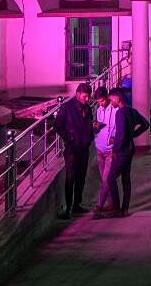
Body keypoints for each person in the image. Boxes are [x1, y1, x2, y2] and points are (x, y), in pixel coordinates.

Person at [52, 82, 94, 219]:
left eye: (88, 97)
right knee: (71, 177)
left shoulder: (88, 109)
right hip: (71, 149)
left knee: (81, 177)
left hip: (84, 147)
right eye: (84, 96)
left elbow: (89, 125)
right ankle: (68, 207)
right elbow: (57, 126)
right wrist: (68, 139)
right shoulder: (67, 108)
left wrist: (90, 137)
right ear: (77, 95)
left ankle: (77, 204)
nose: (87, 99)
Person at [106, 89, 150, 217]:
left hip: (123, 150)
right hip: (130, 149)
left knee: (110, 178)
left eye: (111, 100)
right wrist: (133, 134)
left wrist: (115, 149)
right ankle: (125, 209)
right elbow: (145, 124)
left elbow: (120, 134)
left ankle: (116, 209)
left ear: (117, 99)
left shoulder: (120, 113)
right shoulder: (132, 111)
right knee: (126, 178)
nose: (110, 103)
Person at [91, 87, 120, 218]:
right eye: (98, 102)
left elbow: (118, 129)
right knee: (104, 179)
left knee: (106, 179)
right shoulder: (98, 110)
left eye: (102, 101)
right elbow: (100, 127)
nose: (100, 103)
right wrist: (96, 127)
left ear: (107, 97)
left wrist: (114, 140)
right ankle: (111, 203)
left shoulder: (116, 110)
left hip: (110, 150)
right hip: (99, 149)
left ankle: (98, 207)